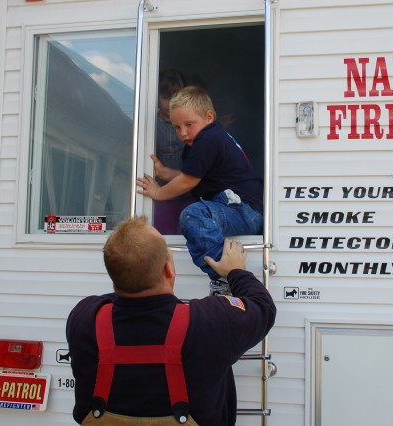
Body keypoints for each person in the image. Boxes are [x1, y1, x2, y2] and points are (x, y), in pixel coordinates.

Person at [66, 216, 276, 425]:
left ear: (113, 275)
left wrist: (129, 272)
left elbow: (120, 295)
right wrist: (235, 271)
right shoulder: (208, 323)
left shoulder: (85, 318)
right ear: (169, 269)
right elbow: (262, 305)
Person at [137, 86, 263, 295]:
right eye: (176, 127)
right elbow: (192, 175)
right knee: (197, 212)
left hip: (243, 210)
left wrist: (158, 193)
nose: (183, 133)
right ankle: (224, 271)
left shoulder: (209, 138)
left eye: (189, 124)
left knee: (193, 214)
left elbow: (187, 182)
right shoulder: (206, 139)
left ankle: (225, 275)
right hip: (239, 209)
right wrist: (165, 172)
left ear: (209, 117)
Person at [153, 69, 193, 235]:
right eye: (165, 97)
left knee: (189, 235)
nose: (170, 104)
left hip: (189, 194)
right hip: (161, 196)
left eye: (175, 98)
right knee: (162, 237)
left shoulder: (191, 124)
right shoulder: (151, 123)